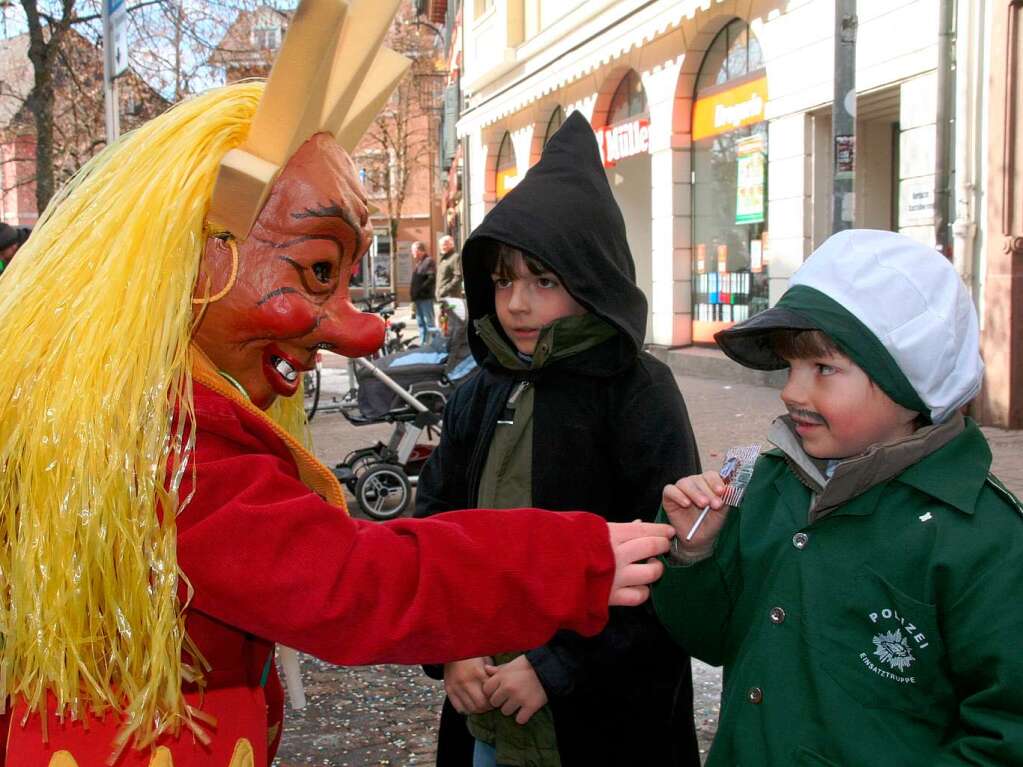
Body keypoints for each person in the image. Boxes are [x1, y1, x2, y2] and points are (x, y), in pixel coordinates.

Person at [0, 4, 675, 764]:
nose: (356, 330)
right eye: (318, 271)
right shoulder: (168, 444)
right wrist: (570, 560)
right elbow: (359, 580)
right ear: (193, 257)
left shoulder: (105, 419)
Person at [654, 229, 1023, 766]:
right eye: (791, 366)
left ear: (909, 381)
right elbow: (711, 638)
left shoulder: (979, 535)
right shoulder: (769, 484)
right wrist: (694, 554)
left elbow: (1006, 730)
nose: (791, 391)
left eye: (823, 368)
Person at [415, 111, 702, 767]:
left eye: (543, 280)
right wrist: (451, 646)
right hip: (484, 711)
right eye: (503, 278)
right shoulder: (481, 388)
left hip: (601, 720)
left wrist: (552, 666)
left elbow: (663, 559)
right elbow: (432, 527)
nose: (516, 303)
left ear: (591, 277)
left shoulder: (637, 392)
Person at [410, 239, 437, 342]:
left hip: (425, 298)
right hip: (418, 298)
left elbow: (431, 278)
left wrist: (420, 290)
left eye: (413, 251)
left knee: (429, 322)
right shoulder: (419, 263)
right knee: (421, 323)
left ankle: (435, 344)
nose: (412, 253)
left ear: (418, 250)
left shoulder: (428, 261)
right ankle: (423, 344)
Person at [435, 234, 463, 300]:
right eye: (441, 245)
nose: (442, 247)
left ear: (451, 245)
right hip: (442, 297)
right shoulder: (443, 259)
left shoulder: (455, 257)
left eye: (445, 244)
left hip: (451, 297)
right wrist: (437, 291)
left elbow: (458, 277)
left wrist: (444, 290)